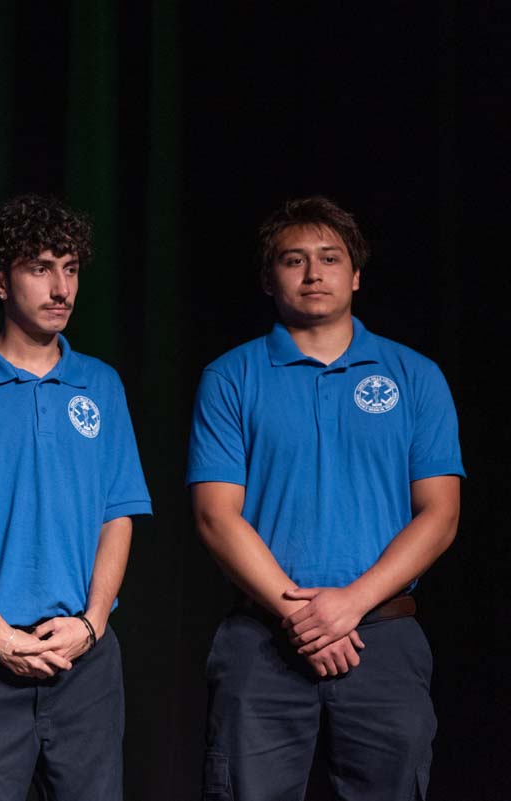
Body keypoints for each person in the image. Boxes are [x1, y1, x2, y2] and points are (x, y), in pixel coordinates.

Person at [187, 196, 464, 801]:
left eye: (330, 258)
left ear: (356, 275)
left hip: (384, 640)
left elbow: (440, 514)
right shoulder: (230, 377)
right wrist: (304, 616)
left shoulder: (414, 375)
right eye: (294, 260)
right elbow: (215, 516)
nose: (314, 274)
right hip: (262, 640)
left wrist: (351, 604)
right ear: (269, 278)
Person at [0, 194, 152, 801]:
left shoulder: (100, 383)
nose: (60, 288)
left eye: (70, 268)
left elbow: (118, 513)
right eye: (40, 268)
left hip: (85, 663)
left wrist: (92, 623)